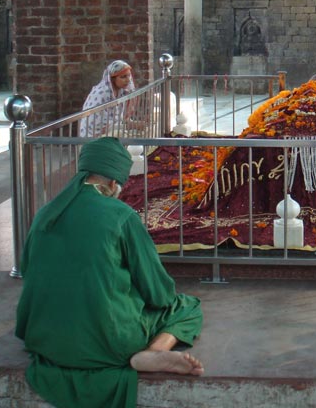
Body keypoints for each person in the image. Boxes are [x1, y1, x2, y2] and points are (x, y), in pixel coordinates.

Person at [16, 137, 204, 408]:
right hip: (108, 343)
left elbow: (28, 270)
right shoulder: (121, 215)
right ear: (114, 183)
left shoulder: (45, 213)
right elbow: (159, 294)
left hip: (44, 339)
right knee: (186, 307)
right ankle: (154, 351)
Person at [79, 60, 136, 137]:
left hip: (111, 129)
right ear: (112, 79)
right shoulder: (102, 93)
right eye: (123, 77)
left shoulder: (121, 91)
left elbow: (119, 117)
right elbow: (96, 122)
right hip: (91, 135)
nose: (128, 80)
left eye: (129, 75)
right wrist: (125, 125)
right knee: (123, 134)